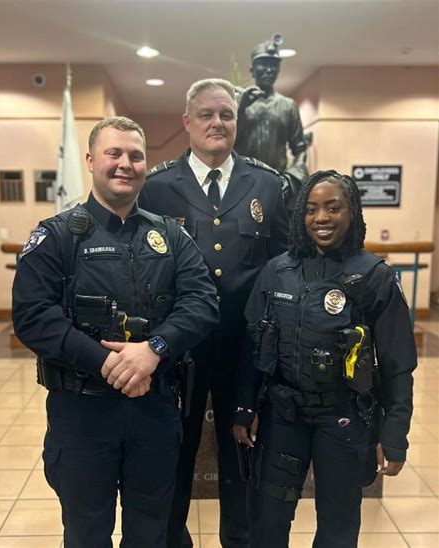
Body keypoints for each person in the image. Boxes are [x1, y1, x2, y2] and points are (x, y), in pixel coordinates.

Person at [12, 116, 220, 548]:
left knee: (152, 532)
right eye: (114, 153)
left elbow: (202, 303)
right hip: (82, 414)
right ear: (90, 161)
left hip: (155, 409)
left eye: (136, 156)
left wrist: (154, 350)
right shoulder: (55, 237)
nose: (125, 164)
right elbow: (32, 315)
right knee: (87, 532)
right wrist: (105, 361)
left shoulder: (171, 236)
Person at [139, 78, 290, 548]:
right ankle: (170, 539)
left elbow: (284, 262)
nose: (217, 123)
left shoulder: (267, 183)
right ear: (187, 122)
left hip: (245, 347)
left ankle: (239, 540)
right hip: (179, 347)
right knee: (174, 450)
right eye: (206, 114)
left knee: (241, 451)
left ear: (237, 123)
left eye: (226, 115)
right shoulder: (158, 188)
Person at [233, 169, 416, 547]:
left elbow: (398, 366)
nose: (322, 218)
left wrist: (394, 435)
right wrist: (243, 407)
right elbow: (252, 345)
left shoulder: (374, 277)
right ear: (301, 215)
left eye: (334, 208)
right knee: (268, 521)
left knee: (338, 525)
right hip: (283, 416)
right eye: (312, 209)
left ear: (352, 214)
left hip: (343, 419)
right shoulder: (277, 271)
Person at [234, 33, 309, 209]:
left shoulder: (288, 105)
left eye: (274, 65)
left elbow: (300, 149)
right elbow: (227, 143)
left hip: (278, 186)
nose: (269, 70)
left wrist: (291, 179)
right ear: (252, 69)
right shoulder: (237, 102)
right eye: (263, 64)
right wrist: (241, 108)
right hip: (242, 186)